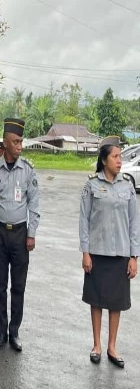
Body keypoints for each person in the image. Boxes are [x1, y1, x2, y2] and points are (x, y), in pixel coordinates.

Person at [80, 137, 140, 368]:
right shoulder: (91, 186)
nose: (119, 161)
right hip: (97, 252)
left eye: (120, 156)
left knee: (116, 302)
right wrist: (85, 252)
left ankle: (112, 347)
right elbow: (84, 221)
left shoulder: (127, 186)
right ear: (104, 160)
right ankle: (96, 345)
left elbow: (134, 224)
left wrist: (134, 257)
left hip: (121, 254)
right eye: (115, 157)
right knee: (96, 300)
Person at [0, 115, 39, 350]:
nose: (19, 146)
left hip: (20, 234)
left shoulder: (28, 171)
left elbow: (34, 204)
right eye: (16, 142)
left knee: (18, 286)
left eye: (21, 142)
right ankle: (1, 332)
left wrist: (31, 233)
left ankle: (14, 332)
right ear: (5, 143)